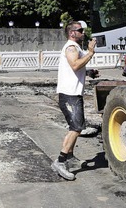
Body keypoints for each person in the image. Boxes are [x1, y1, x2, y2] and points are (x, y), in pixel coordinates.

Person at [51, 21, 97, 181]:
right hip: (69, 95)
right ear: (72, 33)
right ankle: (60, 161)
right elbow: (75, 65)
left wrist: (89, 72)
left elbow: (77, 67)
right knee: (76, 128)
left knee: (76, 126)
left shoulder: (75, 48)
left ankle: (70, 157)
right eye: (80, 30)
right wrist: (90, 53)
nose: (83, 32)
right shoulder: (71, 47)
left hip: (73, 94)